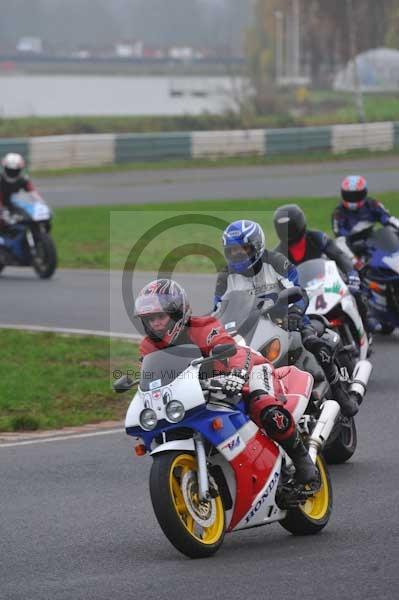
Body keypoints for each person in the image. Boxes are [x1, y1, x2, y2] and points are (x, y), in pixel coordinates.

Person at [135, 277, 319, 486]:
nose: (156, 323)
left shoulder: (203, 327)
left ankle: (302, 460)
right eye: (150, 319)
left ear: (178, 312)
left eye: (160, 316)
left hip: (247, 370)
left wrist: (237, 373)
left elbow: (232, 352)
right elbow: (150, 375)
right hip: (199, 389)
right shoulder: (148, 346)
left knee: (264, 406)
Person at [214, 219, 358, 417]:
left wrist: (295, 313)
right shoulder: (225, 276)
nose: (238, 255)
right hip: (249, 330)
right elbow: (219, 310)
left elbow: (298, 291)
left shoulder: (276, 262)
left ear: (256, 246)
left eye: (243, 249)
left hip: (288, 321)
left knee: (314, 344)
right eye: (233, 251)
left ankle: (340, 394)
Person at [273, 203, 371, 335]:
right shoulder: (279, 253)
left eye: (290, 227)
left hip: (329, 284)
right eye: (283, 228)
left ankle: (365, 331)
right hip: (302, 295)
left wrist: (351, 273)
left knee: (356, 294)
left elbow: (339, 256)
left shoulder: (317, 238)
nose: (288, 231)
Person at [332, 175, 399, 240]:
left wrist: (396, 226)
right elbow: (339, 234)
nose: (353, 198)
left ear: (364, 193)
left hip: (373, 242)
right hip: (351, 246)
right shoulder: (338, 213)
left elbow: (387, 218)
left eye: (356, 195)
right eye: (349, 195)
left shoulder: (372, 204)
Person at [0, 153, 43, 230]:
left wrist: (41, 204)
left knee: (29, 219)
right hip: (2, 207)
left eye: (15, 170)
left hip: (12, 205)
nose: (12, 172)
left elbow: (33, 192)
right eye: (10, 170)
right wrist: (2, 210)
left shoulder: (23, 179)